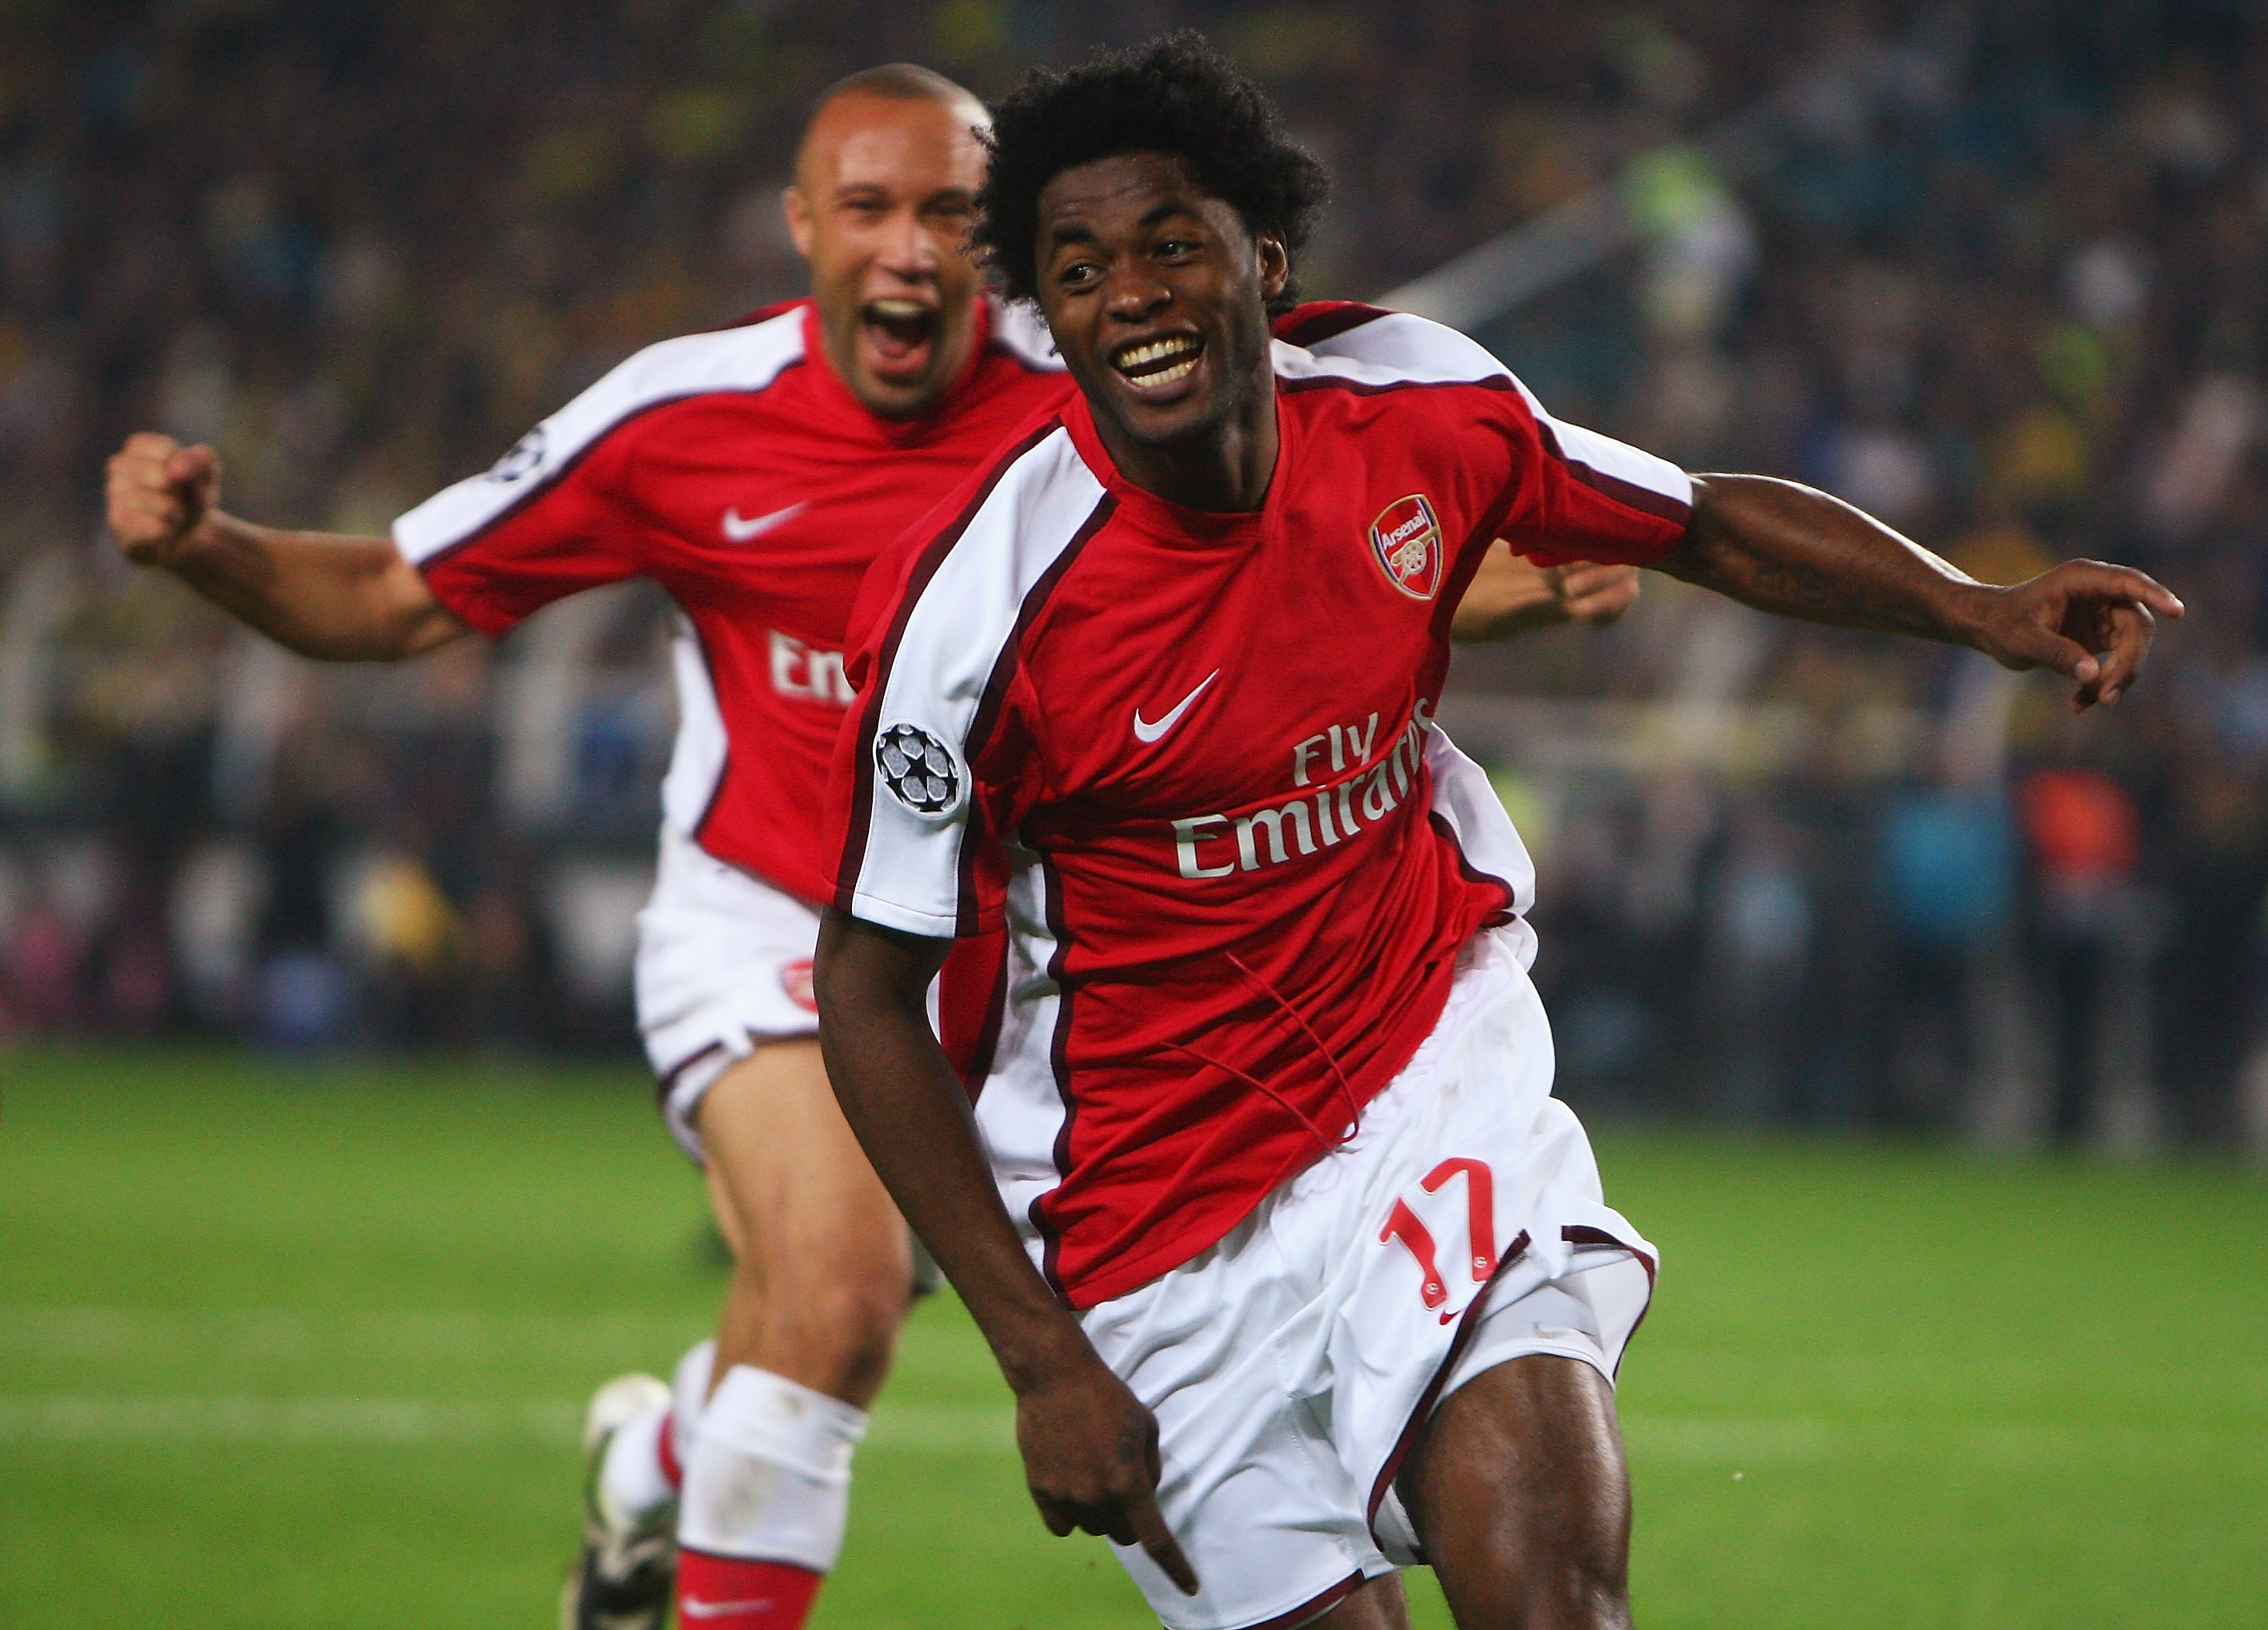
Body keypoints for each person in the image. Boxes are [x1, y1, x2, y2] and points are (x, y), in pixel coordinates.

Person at [100, 57, 1633, 1630]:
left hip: (1006, 964)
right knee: (838, 1292)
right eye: (868, 208)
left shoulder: (1097, 376)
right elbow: (390, 596)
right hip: (777, 924)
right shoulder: (682, 419)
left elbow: (1304, 581)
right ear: (802, 228)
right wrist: (208, 547)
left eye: (948, 213)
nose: (909, 247)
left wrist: (1523, 580)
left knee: (817, 1301)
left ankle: (665, 1454)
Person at [811, 33, 2180, 1630]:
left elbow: (1695, 519)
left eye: (1169, 245)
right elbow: (861, 990)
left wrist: (1976, 609)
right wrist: (1040, 1358)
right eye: (1078, 269)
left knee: (1551, 1605)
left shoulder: (1417, 403)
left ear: (1264, 258)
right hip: (1149, 1227)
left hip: (1421, 1082)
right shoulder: (977, 615)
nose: (1129, 294)